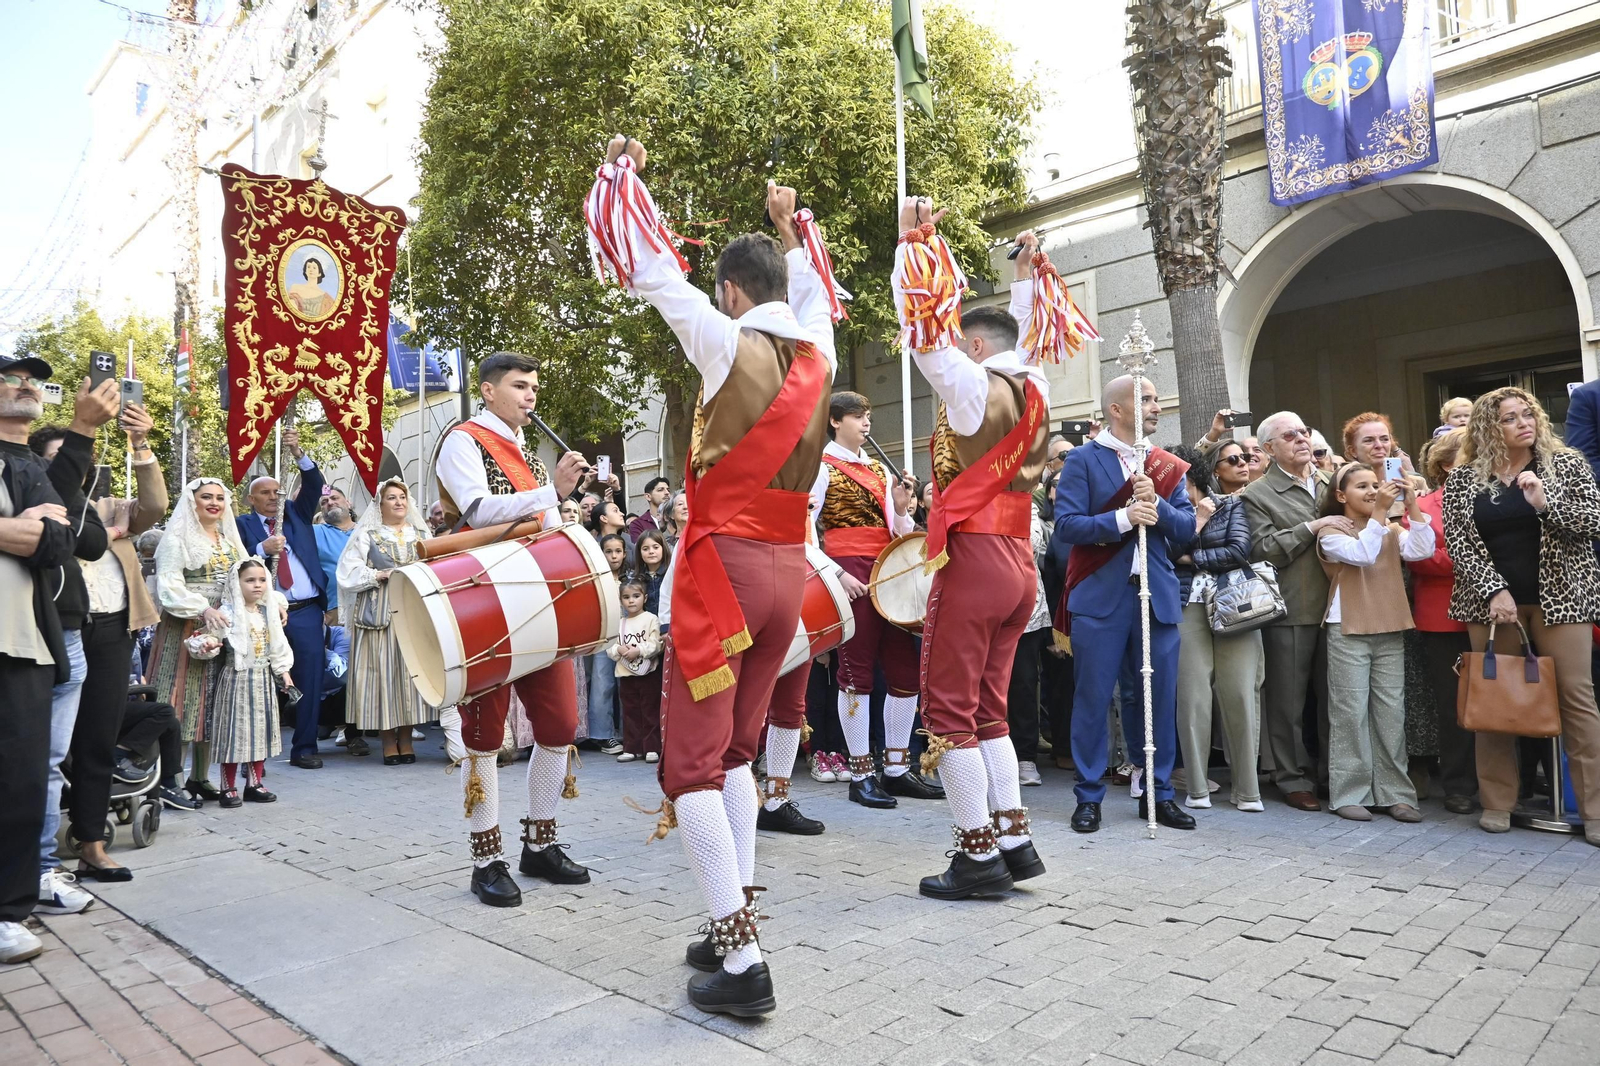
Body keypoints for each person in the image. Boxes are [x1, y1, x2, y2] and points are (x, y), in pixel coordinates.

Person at [594, 135, 836, 1014]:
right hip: (785, 574)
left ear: (732, 293)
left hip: (723, 568)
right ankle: (727, 911)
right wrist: (793, 224)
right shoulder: (822, 357)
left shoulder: (724, 340)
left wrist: (623, 179)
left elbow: (656, 270)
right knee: (737, 750)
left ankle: (742, 962)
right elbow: (814, 293)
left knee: (692, 766)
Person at [897, 216, 1048, 895]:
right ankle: (1014, 837)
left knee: (951, 710)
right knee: (990, 708)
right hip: (1019, 561)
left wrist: (915, 248)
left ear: (978, 344)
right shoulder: (1034, 385)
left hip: (976, 558)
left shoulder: (973, 385)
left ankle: (976, 853)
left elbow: (927, 336)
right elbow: (1029, 331)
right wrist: (1023, 279)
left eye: (967, 342)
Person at [435, 349, 592, 907]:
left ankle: (539, 843)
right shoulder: (463, 439)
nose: (530, 395)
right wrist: (553, 492)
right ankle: (486, 858)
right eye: (520, 386)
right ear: (488, 390)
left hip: (535, 594)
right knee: (483, 732)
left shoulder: (521, 450)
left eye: (533, 387)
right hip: (485, 597)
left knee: (559, 722)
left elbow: (535, 518)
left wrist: (568, 511)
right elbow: (478, 512)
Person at [1442, 387, 1600, 845]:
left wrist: (1545, 504)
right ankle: (1497, 801)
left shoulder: (1566, 463)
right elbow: (1460, 544)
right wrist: (1494, 590)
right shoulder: (1465, 479)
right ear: (1491, 428)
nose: (1524, 423)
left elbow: (1592, 522)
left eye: (1527, 414)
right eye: (1510, 418)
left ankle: (1593, 809)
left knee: (1577, 700)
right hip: (1492, 606)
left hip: (1562, 600)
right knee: (1496, 701)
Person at [35, 389, 168, 892]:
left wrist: (141, 444)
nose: (74, 467)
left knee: (96, 739)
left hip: (112, 631)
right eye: (58, 459)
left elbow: (155, 504)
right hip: (56, 630)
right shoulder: (40, 506)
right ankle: (39, 853)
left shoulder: (110, 506)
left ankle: (91, 846)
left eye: (78, 459)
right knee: (45, 744)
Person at [1056, 362, 1197, 834]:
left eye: (1156, 399)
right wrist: (1122, 518)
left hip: (1154, 596)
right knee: (1094, 696)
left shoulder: (1163, 465)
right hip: (1101, 598)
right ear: (1117, 409)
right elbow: (1068, 527)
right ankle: (1089, 794)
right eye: (1148, 399)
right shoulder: (1082, 460)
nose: (1157, 407)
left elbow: (1185, 531)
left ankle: (1158, 791)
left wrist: (1155, 506)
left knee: (1156, 696)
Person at [809, 389, 939, 808]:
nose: (866, 423)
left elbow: (898, 530)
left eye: (867, 416)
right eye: (857, 417)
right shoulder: (820, 466)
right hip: (850, 571)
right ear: (835, 421)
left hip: (887, 571)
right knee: (856, 672)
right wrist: (837, 573)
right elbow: (805, 533)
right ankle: (861, 772)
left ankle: (898, 768)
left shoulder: (880, 471)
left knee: (904, 671)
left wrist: (902, 507)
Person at [0, 352, 77, 964]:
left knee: (23, 781)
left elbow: (62, 540)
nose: (25, 384)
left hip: (24, 640)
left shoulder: (30, 464)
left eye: (33, 378)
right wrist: (15, 526)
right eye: (9, 376)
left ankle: (7, 909)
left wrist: (27, 527)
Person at [25, 380, 112, 903]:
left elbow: (93, 543)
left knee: (53, 756)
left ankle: (40, 868)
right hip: (27, 627)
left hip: (73, 633)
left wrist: (71, 495)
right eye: (62, 461)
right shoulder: (27, 478)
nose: (73, 467)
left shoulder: (76, 498)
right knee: (23, 753)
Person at [1241, 412, 1352, 812]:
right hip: (1292, 608)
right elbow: (1261, 549)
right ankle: (1291, 778)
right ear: (1269, 449)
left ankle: (1334, 775)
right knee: (1288, 703)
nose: (1302, 440)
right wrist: (1312, 527)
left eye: (1304, 432)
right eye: (1290, 436)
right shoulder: (1256, 494)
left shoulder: (1329, 483)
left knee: (1336, 699)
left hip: (1341, 606)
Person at [1317, 463, 1432, 822]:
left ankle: (1395, 794)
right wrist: (1381, 512)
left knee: (1391, 714)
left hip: (1389, 627)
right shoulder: (1332, 531)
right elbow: (1363, 555)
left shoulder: (1391, 528)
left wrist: (1413, 506)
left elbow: (1423, 549)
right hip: (1347, 628)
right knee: (1350, 714)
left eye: (1374, 485)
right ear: (1340, 496)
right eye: (1361, 487)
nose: (1371, 491)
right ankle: (1349, 793)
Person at [1171, 445, 1264, 813]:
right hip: (1185, 606)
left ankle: (1248, 791)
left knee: (1240, 692)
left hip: (1234, 604)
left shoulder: (1229, 505)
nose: (1168, 485)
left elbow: (1240, 550)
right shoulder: (1166, 514)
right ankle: (1197, 788)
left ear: (1193, 477)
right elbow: (1163, 553)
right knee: (1192, 697)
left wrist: (1192, 558)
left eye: (1176, 478)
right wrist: (1194, 524)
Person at [152, 478, 253, 803]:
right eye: (206, 497)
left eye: (219, 498)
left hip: (223, 627)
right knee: (182, 701)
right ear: (191, 502)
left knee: (214, 704)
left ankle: (199, 778)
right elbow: (169, 587)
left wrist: (269, 606)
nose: (214, 503)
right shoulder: (177, 540)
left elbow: (246, 577)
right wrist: (202, 608)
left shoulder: (228, 541)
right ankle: (172, 781)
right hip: (185, 628)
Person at [236, 426, 329, 769]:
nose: (274, 497)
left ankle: (304, 748)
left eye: (277, 491)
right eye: (265, 493)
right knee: (257, 677)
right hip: (260, 613)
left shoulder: (296, 514)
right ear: (251, 499)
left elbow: (315, 485)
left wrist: (298, 452)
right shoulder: (241, 524)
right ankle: (252, 751)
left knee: (309, 677)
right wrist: (261, 548)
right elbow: (234, 560)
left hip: (303, 611)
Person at [336, 478, 437, 765]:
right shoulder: (368, 533)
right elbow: (347, 572)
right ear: (380, 505)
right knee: (382, 675)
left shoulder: (420, 532)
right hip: (378, 613)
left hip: (413, 611)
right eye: (391, 497)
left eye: (402, 497)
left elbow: (435, 564)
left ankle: (406, 739)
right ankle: (388, 741)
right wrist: (376, 575)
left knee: (410, 675)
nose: (399, 502)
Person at [1410, 428, 1477, 814]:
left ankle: (1503, 782)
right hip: (1442, 619)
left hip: (1492, 614)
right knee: (1453, 706)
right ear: (1446, 465)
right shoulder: (1423, 504)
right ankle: (1458, 786)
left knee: (1500, 697)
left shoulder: (1494, 499)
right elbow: (1420, 558)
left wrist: (1453, 557)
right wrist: (1473, 561)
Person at [206, 558, 293, 807]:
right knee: (234, 732)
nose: (257, 585)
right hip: (236, 677)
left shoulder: (268, 613)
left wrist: (284, 671)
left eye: (262, 580)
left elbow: (277, 644)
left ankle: (254, 783)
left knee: (260, 732)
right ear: (237, 582)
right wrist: (209, 644)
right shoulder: (229, 612)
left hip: (262, 678)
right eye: (250, 580)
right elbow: (210, 638)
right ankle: (227, 787)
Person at [1007, 483, 1054, 788]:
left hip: (1024, 606)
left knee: (1024, 682)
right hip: (981, 601)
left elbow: (1032, 543)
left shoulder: (1026, 501)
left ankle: (1025, 755)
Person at [608, 579, 662, 762]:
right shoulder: (619, 623)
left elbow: (656, 643)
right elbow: (610, 646)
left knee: (650, 710)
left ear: (645, 598)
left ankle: (652, 747)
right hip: (625, 674)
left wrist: (639, 650)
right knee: (630, 712)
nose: (631, 601)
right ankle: (632, 747)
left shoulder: (651, 619)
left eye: (636, 596)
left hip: (648, 673)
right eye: (626, 597)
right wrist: (620, 650)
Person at [627, 476, 673, 541]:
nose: (667, 493)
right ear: (648, 496)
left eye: (668, 490)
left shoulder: (675, 519)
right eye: (660, 490)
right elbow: (640, 548)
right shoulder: (638, 524)